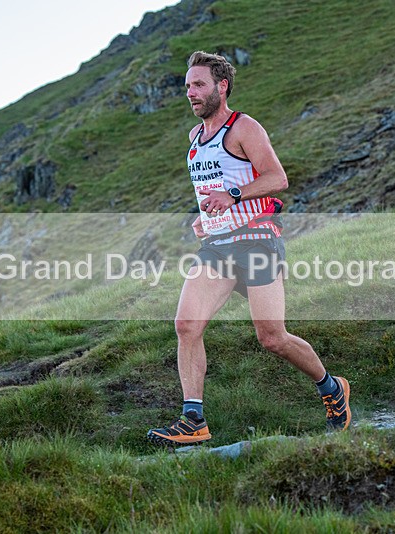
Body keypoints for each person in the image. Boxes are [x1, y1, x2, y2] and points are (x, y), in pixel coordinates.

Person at [147, 51, 351, 446]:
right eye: (187, 86)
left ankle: (332, 388)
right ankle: (194, 421)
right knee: (187, 325)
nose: (190, 93)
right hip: (218, 247)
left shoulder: (244, 128)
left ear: (221, 87)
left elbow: (278, 177)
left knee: (272, 337)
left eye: (199, 84)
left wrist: (233, 195)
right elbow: (214, 188)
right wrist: (205, 217)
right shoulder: (194, 139)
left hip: (257, 241)